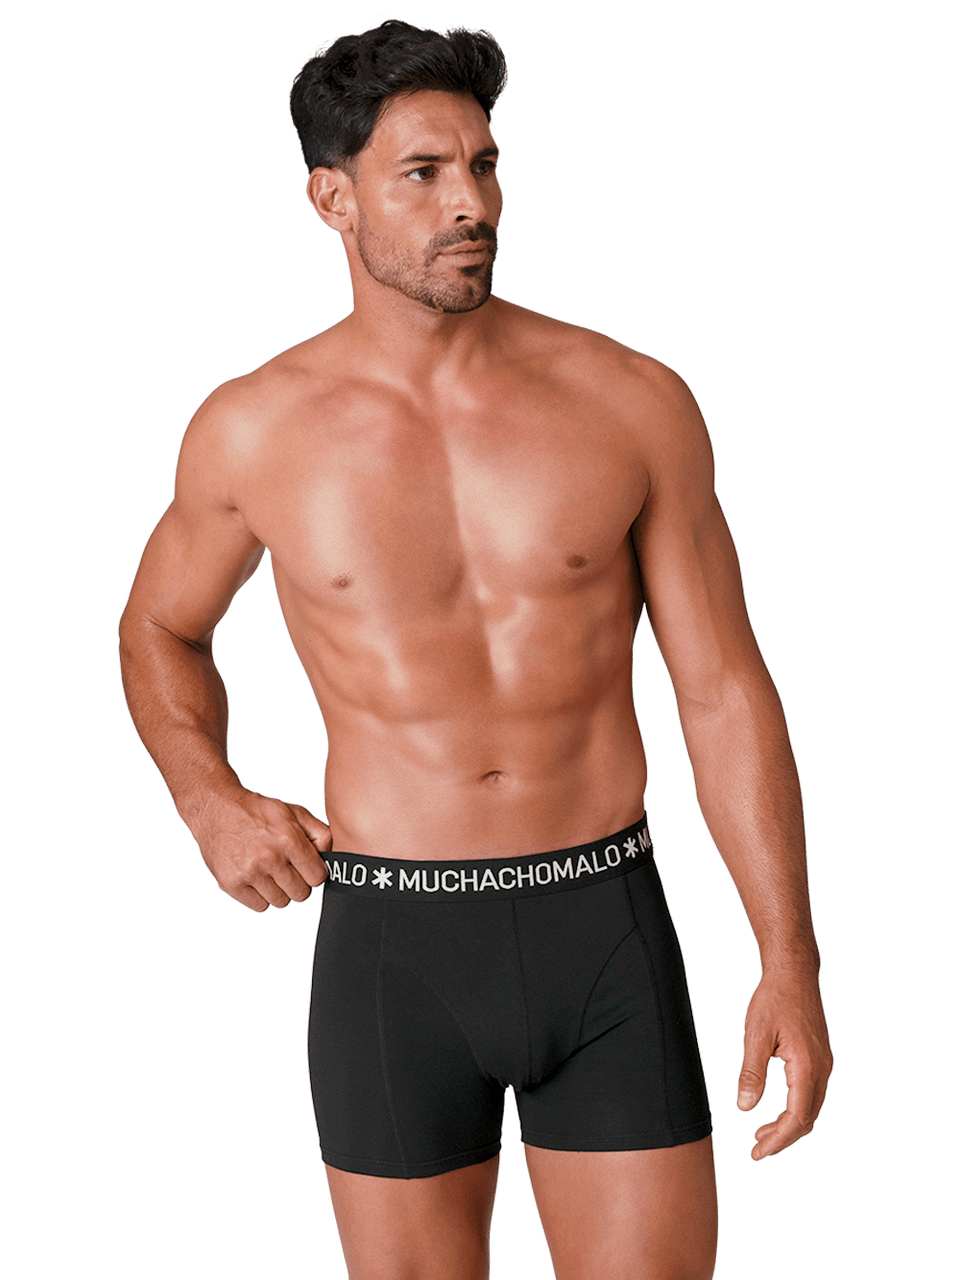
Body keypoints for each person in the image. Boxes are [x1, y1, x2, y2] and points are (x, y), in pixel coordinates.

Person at [118, 18, 832, 1280]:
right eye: (425, 173)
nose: (472, 203)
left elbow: (721, 688)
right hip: (394, 942)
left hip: (602, 921)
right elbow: (159, 627)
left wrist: (789, 954)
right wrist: (207, 797)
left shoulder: (630, 400)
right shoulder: (252, 431)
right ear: (332, 199)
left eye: (485, 165)